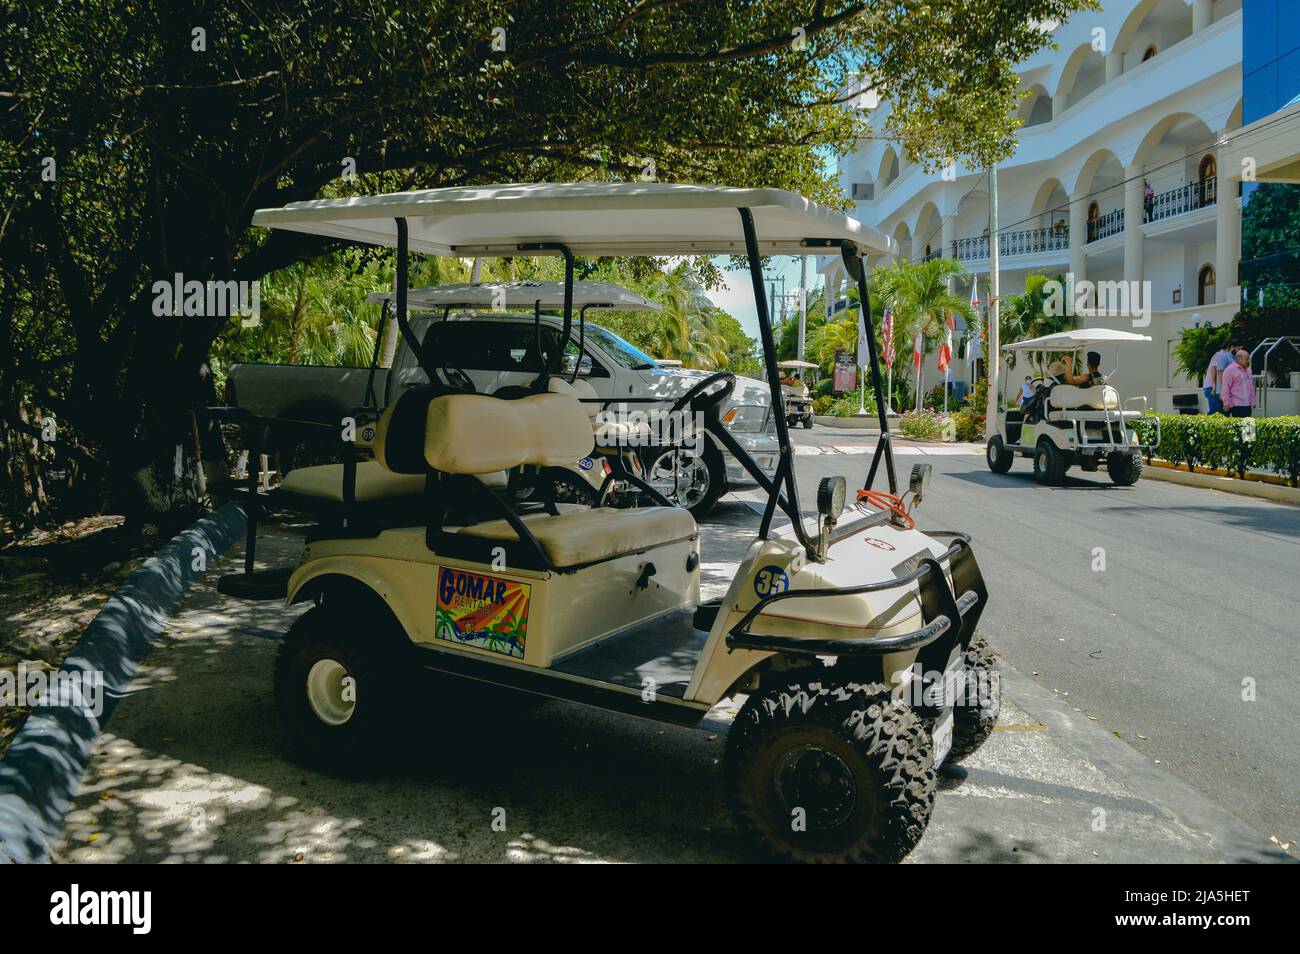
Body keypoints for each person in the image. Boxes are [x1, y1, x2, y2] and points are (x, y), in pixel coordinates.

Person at [1220, 350, 1256, 418]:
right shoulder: (1229, 370)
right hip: (1236, 405)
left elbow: (1251, 387)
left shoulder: (1248, 370)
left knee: (1247, 427)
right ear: (1239, 359)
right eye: (1246, 359)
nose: (1248, 361)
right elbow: (1225, 388)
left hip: (1247, 405)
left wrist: (1253, 401)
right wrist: (1226, 403)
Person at [1204, 340, 1236, 415]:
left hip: (1217, 388)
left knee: (1222, 413)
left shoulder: (1226, 356)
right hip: (1212, 387)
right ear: (1229, 347)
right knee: (1217, 413)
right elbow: (1214, 369)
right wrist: (1215, 386)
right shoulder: (1220, 355)